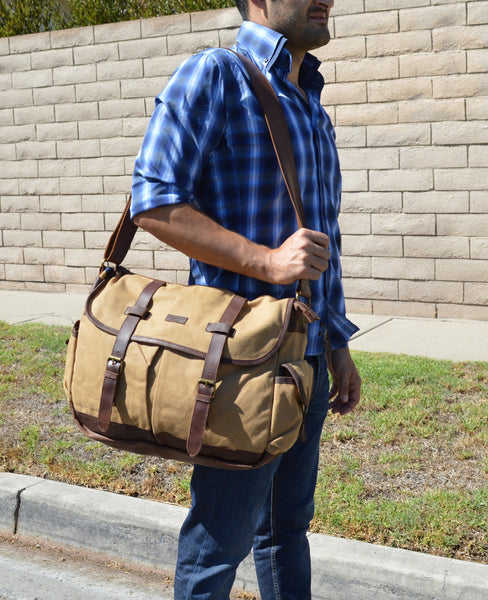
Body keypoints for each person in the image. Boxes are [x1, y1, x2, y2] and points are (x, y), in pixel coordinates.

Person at [131, 1, 361, 597]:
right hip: (237, 363)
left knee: (287, 530)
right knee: (219, 543)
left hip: (304, 357)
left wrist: (334, 342)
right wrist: (267, 262)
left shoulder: (310, 103)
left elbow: (321, 236)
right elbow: (153, 201)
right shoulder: (215, 73)